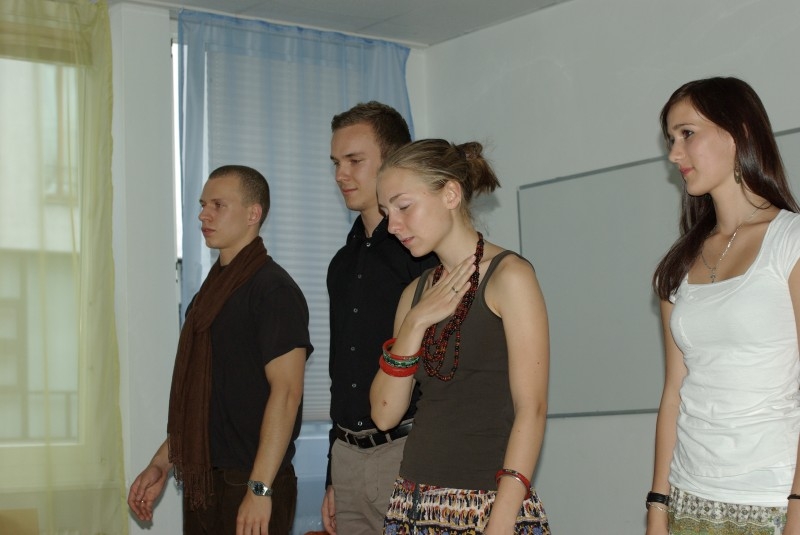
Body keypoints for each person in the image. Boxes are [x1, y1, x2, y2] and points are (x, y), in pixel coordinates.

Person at [370, 139, 551, 534]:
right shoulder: (415, 294)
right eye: (386, 213)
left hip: (489, 501)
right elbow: (384, 414)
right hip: (413, 501)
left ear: (450, 194)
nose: (392, 226)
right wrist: (416, 322)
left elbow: (532, 408)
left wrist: (501, 519)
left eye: (403, 207)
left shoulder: (510, 277)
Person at [647, 77, 800, 535]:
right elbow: (674, 391)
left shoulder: (790, 241)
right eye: (671, 140)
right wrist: (657, 505)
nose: (674, 154)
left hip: (770, 498)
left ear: (738, 134)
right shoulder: (679, 264)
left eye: (687, 134)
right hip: (688, 498)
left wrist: (797, 506)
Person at [127, 165, 312, 535]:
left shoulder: (273, 291)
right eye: (202, 205)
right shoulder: (207, 299)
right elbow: (204, 402)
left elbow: (287, 393)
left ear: (253, 214)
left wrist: (260, 488)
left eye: (217, 205)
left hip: (251, 481)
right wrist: (161, 463)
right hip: (204, 482)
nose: (203, 215)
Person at [322, 102, 438, 535]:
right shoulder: (341, 263)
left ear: (392, 161)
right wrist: (333, 472)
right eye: (335, 162)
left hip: (410, 453)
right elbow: (341, 372)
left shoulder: (423, 255)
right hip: (348, 459)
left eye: (354, 161)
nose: (340, 175)